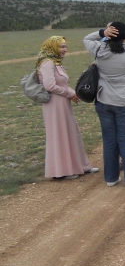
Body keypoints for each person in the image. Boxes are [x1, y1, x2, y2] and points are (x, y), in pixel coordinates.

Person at [84, 23, 125, 188]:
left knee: (109, 140)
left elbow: (87, 38)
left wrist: (101, 32)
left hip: (104, 101)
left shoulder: (99, 50)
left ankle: (111, 177)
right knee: (124, 140)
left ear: (109, 34)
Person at [36, 36, 98, 180]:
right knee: (59, 135)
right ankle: (61, 172)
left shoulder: (56, 63)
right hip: (54, 104)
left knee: (70, 133)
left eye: (65, 46)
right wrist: (70, 93)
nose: (64, 50)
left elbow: (61, 84)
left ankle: (80, 166)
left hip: (62, 103)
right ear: (52, 47)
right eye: (61, 46)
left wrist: (73, 93)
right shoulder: (48, 63)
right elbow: (49, 86)